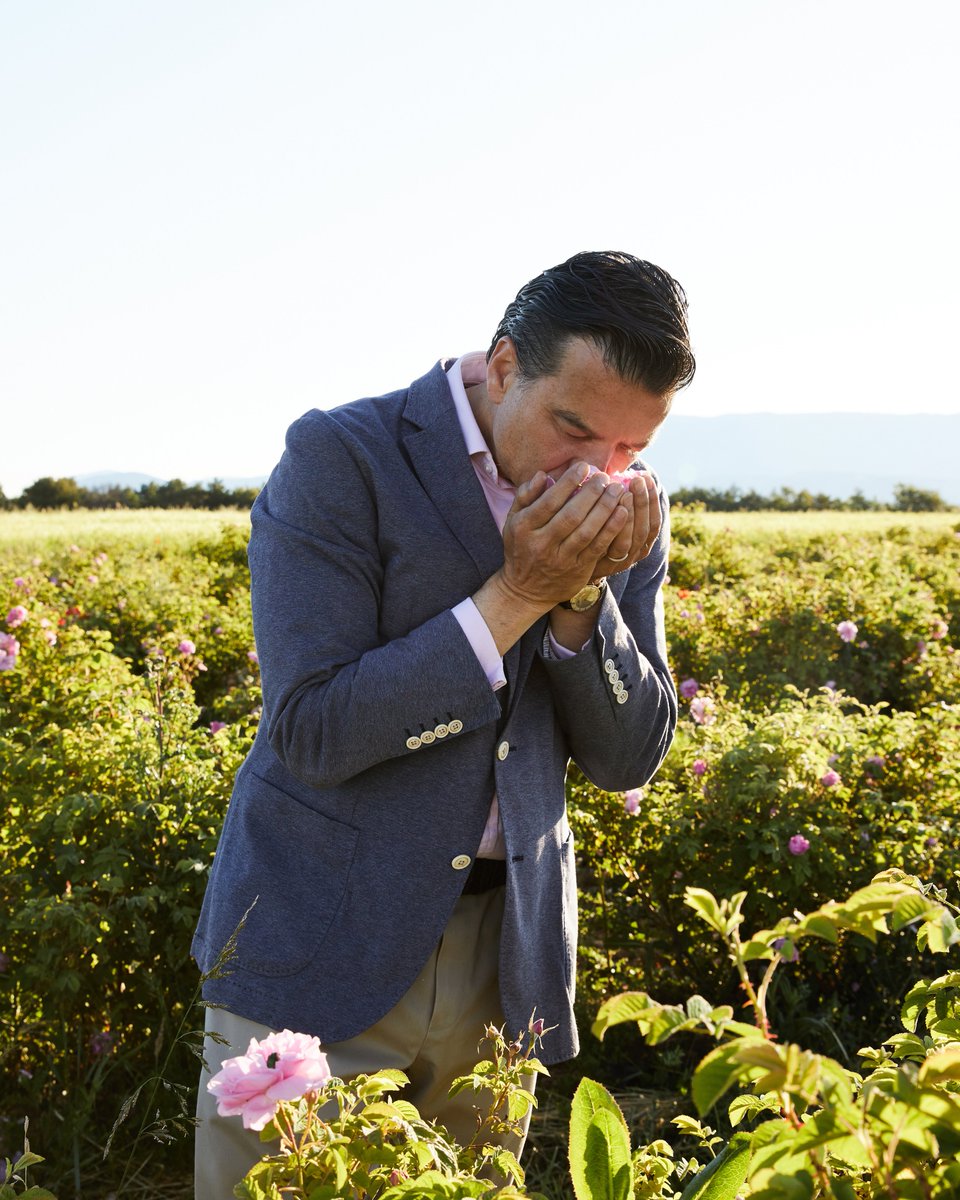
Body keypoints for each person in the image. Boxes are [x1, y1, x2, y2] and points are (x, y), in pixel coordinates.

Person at [191, 250, 695, 1195]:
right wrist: (517, 596)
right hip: (320, 941)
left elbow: (630, 758)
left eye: (630, 450)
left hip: (505, 960)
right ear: (504, 368)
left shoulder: (625, 509)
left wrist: (584, 599)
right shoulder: (340, 458)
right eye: (574, 429)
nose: (598, 472)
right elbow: (313, 730)